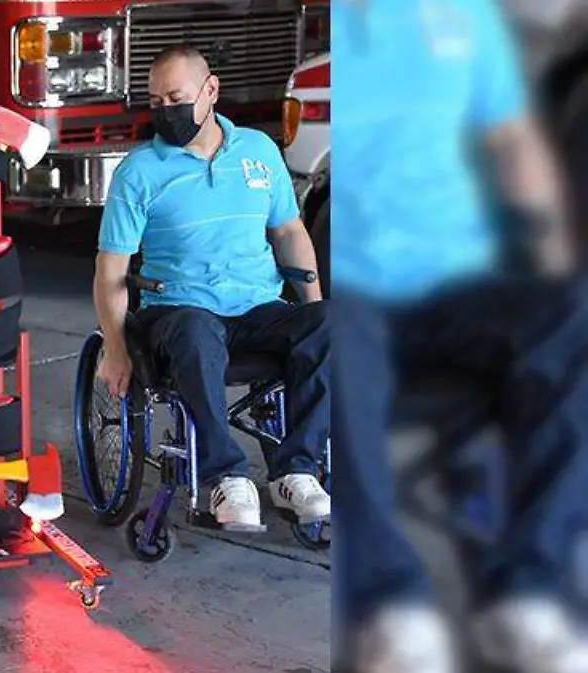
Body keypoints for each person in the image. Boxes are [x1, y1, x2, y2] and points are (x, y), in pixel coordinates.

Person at [330, 1, 588, 671]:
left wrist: (556, 266)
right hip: (356, 291)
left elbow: (512, 139)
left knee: (574, 316)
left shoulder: (464, 21)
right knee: (338, 332)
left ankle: (528, 588)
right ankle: (389, 603)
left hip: (458, 288)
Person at [93, 45, 331, 532]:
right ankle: (227, 476)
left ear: (211, 91)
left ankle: (296, 471)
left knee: (335, 325)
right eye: (155, 101)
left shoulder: (259, 153)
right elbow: (111, 266)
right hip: (177, 309)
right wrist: (116, 348)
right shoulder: (138, 173)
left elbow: (288, 233)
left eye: (176, 97)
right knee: (196, 330)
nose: (166, 110)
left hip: (258, 307)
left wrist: (314, 321)